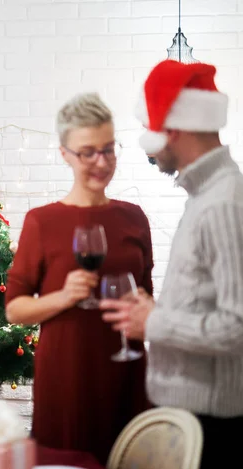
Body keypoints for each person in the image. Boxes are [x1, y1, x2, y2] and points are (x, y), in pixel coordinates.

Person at [101, 60, 243, 469]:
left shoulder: (223, 203)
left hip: (211, 426)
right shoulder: (205, 196)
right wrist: (158, 311)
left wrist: (156, 323)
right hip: (192, 416)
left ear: (173, 128)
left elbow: (237, 326)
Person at [5, 93, 153, 464]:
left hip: (128, 372)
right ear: (65, 154)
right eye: (88, 152)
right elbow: (15, 310)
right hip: (68, 379)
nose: (101, 162)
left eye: (108, 149)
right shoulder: (42, 221)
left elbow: (149, 299)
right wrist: (64, 297)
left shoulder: (135, 218)